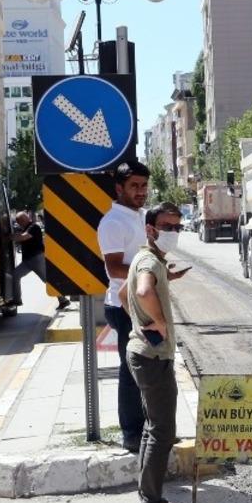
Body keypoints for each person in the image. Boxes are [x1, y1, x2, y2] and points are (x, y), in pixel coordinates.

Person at [125, 202, 192, 503]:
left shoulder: (146, 258)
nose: (174, 233)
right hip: (153, 358)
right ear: (150, 230)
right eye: (167, 227)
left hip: (143, 353)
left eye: (178, 227)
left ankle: (149, 500)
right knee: (162, 432)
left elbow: (125, 295)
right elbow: (141, 290)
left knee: (154, 429)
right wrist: (159, 322)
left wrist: (139, 322)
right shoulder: (150, 260)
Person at [98, 161, 151, 454]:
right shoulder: (113, 222)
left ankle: (149, 430)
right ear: (119, 188)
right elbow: (114, 267)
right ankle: (131, 433)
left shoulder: (140, 216)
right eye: (134, 186)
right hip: (123, 305)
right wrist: (151, 271)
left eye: (144, 186)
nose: (141, 191)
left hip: (143, 303)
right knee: (131, 370)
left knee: (151, 369)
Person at [12, 210, 70, 309]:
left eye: (19, 221)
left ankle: (63, 300)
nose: (19, 223)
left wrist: (11, 237)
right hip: (27, 261)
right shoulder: (25, 228)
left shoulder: (34, 227)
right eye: (17, 221)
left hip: (37, 259)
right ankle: (17, 300)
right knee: (15, 276)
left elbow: (24, 237)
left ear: (24, 219)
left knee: (47, 280)